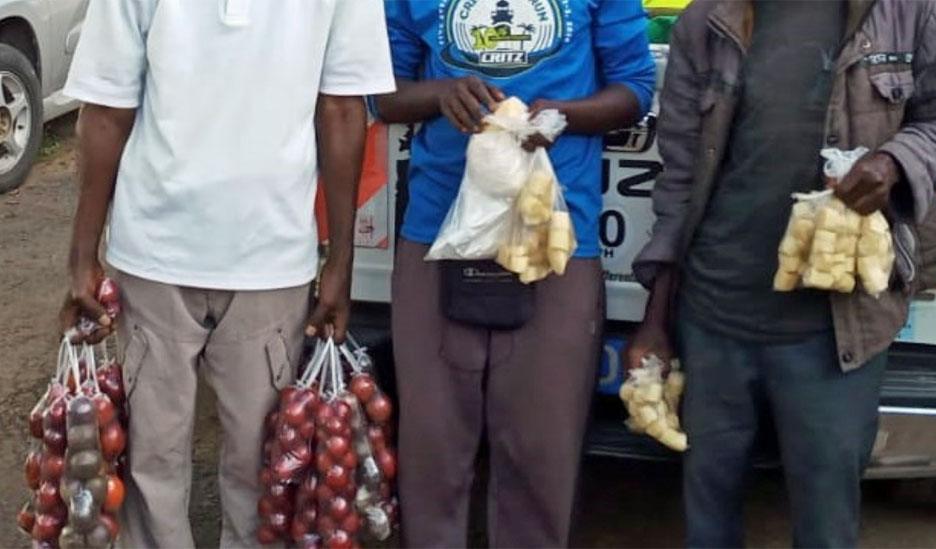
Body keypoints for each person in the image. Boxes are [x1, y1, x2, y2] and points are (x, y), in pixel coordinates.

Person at [629, 1, 936, 547]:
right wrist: (657, 318)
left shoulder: (905, 12)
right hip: (714, 317)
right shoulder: (709, 20)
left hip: (836, 329)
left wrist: (895, 161)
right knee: (708, 514)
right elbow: (679, 177)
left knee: (825, 525)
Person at [58, 1, 394, 546]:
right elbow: (105, 107)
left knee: (255, 463)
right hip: (159, 257)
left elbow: (342, 108)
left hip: (268, 258)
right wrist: (81, 256)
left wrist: (340, 263)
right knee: (165, 459)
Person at [373, 0, 654, 546]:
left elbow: (635, 88)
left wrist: (563, 114)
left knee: (540, 451)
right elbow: (381, 93)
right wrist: (440, 94)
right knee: (433, 447)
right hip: (439, 232)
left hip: (555, 236)